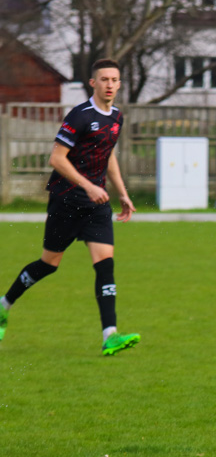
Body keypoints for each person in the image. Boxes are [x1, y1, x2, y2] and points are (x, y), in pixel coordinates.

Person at [0, 58, 140, 355]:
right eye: (104, 79)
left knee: (105, 266)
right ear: (93, 83)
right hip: (67, 200)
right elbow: (56, 158)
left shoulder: (116, 117)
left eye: (114, 80)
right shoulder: (79, 116)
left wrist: (122, 193)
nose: (110, 85)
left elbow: (107, 155)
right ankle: (4, 305)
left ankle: (110, 335)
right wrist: (87, 185)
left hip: (97, 203)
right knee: (49, 265)